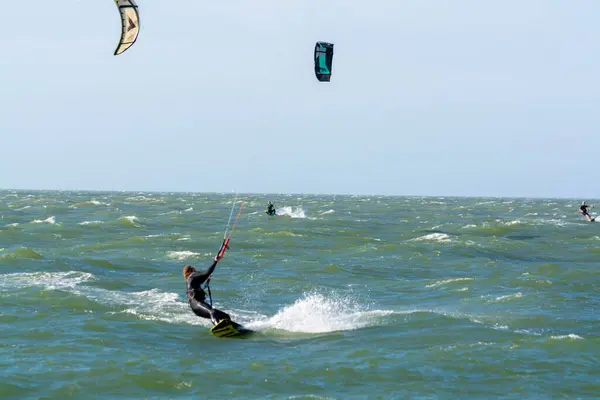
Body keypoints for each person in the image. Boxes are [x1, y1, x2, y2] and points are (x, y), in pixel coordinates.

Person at [183, 255, 231, 325]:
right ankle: (218, 326)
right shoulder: (192, 275)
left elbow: (204, 277)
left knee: (226, 316)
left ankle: (230, 329)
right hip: (196, 304)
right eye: (195, 270)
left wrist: (207, 277)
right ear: (191, 270)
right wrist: (215, 261)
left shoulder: (192, 281)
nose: (197, 272)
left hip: (196, 307)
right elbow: (206, 272)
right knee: (213, 312)